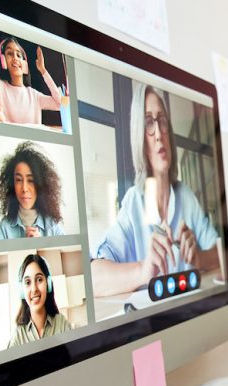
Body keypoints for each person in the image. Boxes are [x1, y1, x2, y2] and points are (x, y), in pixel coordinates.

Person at [91, 82, 220, 297]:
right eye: (149, 123)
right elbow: (94, 279)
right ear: (139, 138)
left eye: (162, 121)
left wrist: (198, 258)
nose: (159, 133)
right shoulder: (135, 201)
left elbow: (220, 254)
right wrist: (143, 271)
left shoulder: (185, 196)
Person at [0, 141, 64, 239]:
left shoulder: (52, 227)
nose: (24, 189)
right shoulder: (5, 227)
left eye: (31, 180)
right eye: (19, 180)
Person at [8, 254, 71, 347]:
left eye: (39, 279)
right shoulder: (18, 337)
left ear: (48, 284)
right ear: (22, 291)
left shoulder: (62, 324)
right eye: (28, 282)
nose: (34, 289)